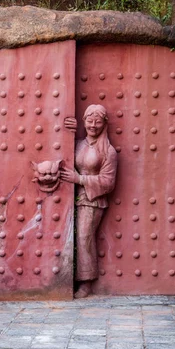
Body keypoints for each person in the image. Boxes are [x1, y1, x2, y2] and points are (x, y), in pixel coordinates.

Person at [61, 104, 118, 298]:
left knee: (84, 237)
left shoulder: (108, 151)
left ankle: (85, 283)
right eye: (89, 121)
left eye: (97, 121)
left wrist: (80, 179)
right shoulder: (77, 143)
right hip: (69, 196)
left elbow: (108, 182)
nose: (93, 125)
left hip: (92, 200)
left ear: (104, 124)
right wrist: (68, 128)